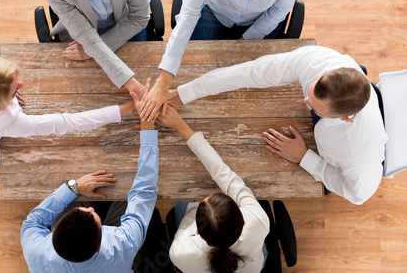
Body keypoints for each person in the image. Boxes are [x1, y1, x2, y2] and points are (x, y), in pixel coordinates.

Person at [167, 46, 387, 205]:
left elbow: (359, 194)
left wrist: (305, 158)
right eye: (310, 93)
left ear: (344, 119)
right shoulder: (317, 61)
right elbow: (253, 72)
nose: (305, 102)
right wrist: (186, 92)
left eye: (315, 107)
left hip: (338, 157)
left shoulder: (356, 153)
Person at [140, 0, 300, 121]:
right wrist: (163, 80)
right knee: (194, 66)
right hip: (215, 12)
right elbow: (188, 15)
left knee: (250, 79)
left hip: (259, 21)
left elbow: (277, 14)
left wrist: (245, 41)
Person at [20, 78, 160, 272]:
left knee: (79, 194)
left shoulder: (36, 250)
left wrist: (73, 187)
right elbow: (144, 192)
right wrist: (147, 125)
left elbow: (33, 221)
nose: (90, 210)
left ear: (53, 231)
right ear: (100, 245)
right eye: (92, 215)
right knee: (128, 197)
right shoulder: (123, 245)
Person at [0, 50, 136, 167]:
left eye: (15, 78)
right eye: (13, 91)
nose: (22, 86)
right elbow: (66, 122)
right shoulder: (5, 119)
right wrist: (125, 110)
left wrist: (3, 92)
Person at [157, 107, 269, 272]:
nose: (206, 196)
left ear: (197, 229)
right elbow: (227, 177)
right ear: (243, 220)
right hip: (251, 262)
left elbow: (186, 223)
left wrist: (180, 126)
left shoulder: (180, 253)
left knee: (182, 196)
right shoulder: (258, 221)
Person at [43, 0, 150, 96]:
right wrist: (129, 82)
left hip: (126, 25)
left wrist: (92, 51)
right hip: (82, 35)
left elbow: (139, 17)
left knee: (143, 69)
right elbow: (89, 39)